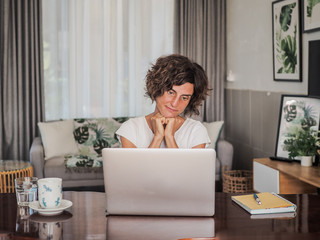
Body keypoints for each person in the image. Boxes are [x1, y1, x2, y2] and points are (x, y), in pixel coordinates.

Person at [116, 54, 211, 148]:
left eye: (184, 98)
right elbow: (137, 164)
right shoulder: (131, 129)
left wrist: (170, 137)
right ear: (157, 88)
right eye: (171, 92)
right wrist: (158, 137)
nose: (175, 103)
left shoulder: (196, 131)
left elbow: (186, 165)